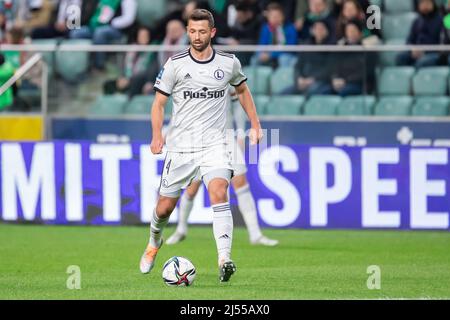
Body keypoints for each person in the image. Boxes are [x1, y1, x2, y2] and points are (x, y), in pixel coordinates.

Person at [139, 8, 263, 283]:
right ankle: (153, 242)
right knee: (163, 209)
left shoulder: (229, 63)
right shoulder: (175, 64)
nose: (196, 36)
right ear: (187, 31)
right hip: (182, 145)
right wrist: (157, 135)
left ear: (212, 33)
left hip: (216, 143)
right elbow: (159, 103)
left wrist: (255, 124)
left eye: (202, 32)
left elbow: (242, 91)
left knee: (219, 191)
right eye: (192, 31)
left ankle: (224, 258)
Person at [165, 86, 279, 247]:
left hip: (224, 137)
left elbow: (238, 100)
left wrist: (240, 132)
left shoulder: (225, 68)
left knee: (240, 181)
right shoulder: (188, 73)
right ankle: (181, 228)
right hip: (196, 139)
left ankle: (255, 234)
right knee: (192, 187)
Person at [396, 0, 442, 68]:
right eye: (422, 3)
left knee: (422, 62)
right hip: (416, 52)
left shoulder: (441, 20)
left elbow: (443, 42)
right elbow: (409, 41)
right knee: (400, 58)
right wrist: (413, 49)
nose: (425, 6)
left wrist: (425, 51)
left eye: (427, 3)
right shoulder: (416, 21)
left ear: (433, 4)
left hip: (433, 53)